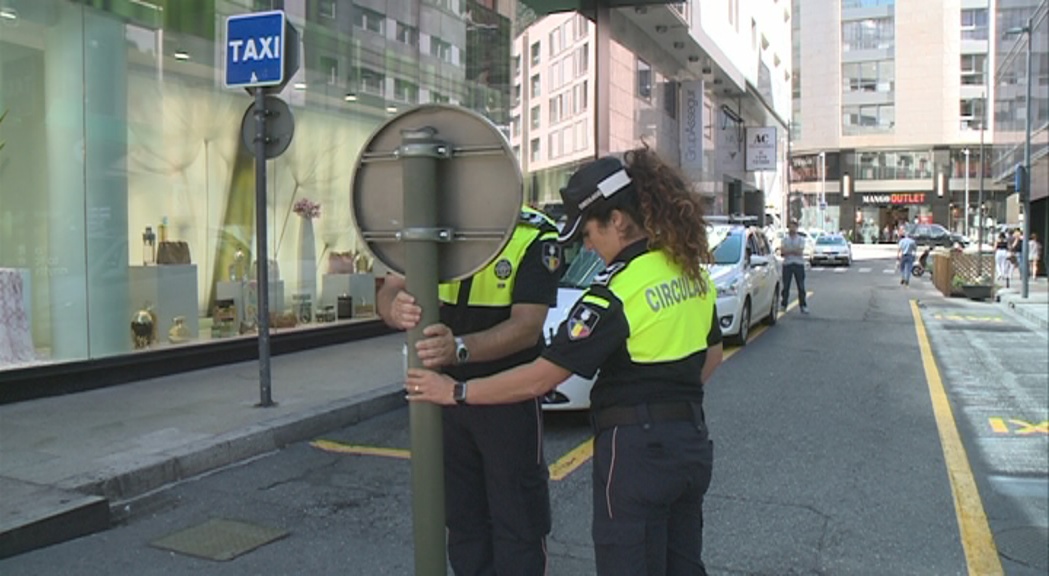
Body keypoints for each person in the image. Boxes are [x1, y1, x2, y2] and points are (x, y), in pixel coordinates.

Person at [406, 148, 724, 576]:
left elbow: (541, 378)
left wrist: (457, 391)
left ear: (617, 220)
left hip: (636, 452)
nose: (588, 246)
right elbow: (713, 355)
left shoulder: (616, 290)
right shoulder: (689, 271)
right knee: (683, 565)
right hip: (691, 442)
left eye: (589, 233)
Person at [377, 204, 563, 576]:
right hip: (439, 397)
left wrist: (460, 348)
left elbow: (527, 326)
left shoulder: (531, 232)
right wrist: (393, 307)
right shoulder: (424, 218)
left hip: (505, 397)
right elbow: (389, 290)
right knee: (462, 520)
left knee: (518, 519)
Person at [780, 219, 808, 313]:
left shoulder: (801, 239)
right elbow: (783, 252)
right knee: (786, 286)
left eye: (794, 226)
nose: (792, 228)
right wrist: (793, 250)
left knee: (801, 286)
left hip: (798, 264)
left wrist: (790, 250)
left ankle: (803, 305)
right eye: (791, 226)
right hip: (787, 264)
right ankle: (784, 304)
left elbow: (800, 252)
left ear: (797, 228)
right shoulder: (785, 239)